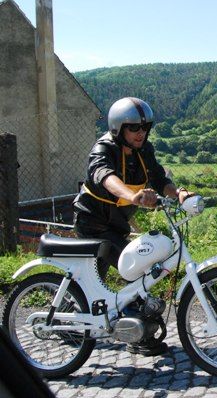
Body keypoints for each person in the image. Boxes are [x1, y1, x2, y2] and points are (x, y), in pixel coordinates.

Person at [73, 97, 195, 355]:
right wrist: (132, 196)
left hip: (117, 224)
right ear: (118, 129)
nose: (141, 133)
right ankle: (130, 334)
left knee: (133, 273)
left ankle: (135, 329)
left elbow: (160, 179)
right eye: (133, 128)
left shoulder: (144, 150)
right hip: (93, 223)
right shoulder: (103, 149)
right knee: (115, 277)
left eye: (144, 128)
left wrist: (179, 193)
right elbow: (105, 177)